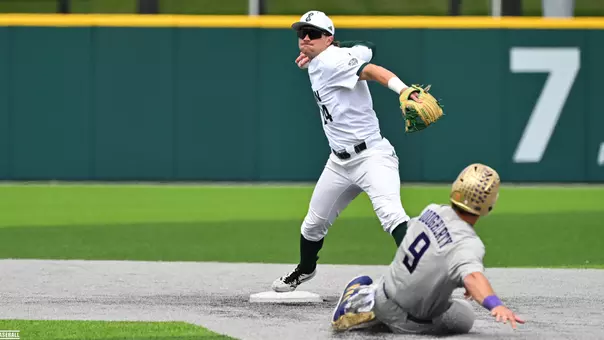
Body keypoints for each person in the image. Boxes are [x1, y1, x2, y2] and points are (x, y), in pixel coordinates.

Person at [271, 10, 422, 293]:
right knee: (312, 225)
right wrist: (332, 46)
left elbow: (372, 71)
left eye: (312, 33)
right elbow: (368, 48)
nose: (305, 38)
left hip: (372, 156)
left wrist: (403, 90)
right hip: (339, 162)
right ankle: (305, 269)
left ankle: (424, 275)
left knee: (391, 214)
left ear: (327, 39)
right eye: (301, 32)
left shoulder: (332, 60)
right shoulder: (330, 56)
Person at [331, 163, 526, 334]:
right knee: (465, 316)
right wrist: (496, 305)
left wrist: (461, 276)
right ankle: (382, 315)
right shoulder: (468, 244)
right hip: (410, 323)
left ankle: (363, 299)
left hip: (383, 295)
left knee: (404, 287)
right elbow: (474, 277)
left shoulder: (432, 210)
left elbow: (430, 252)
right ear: (488, 204)